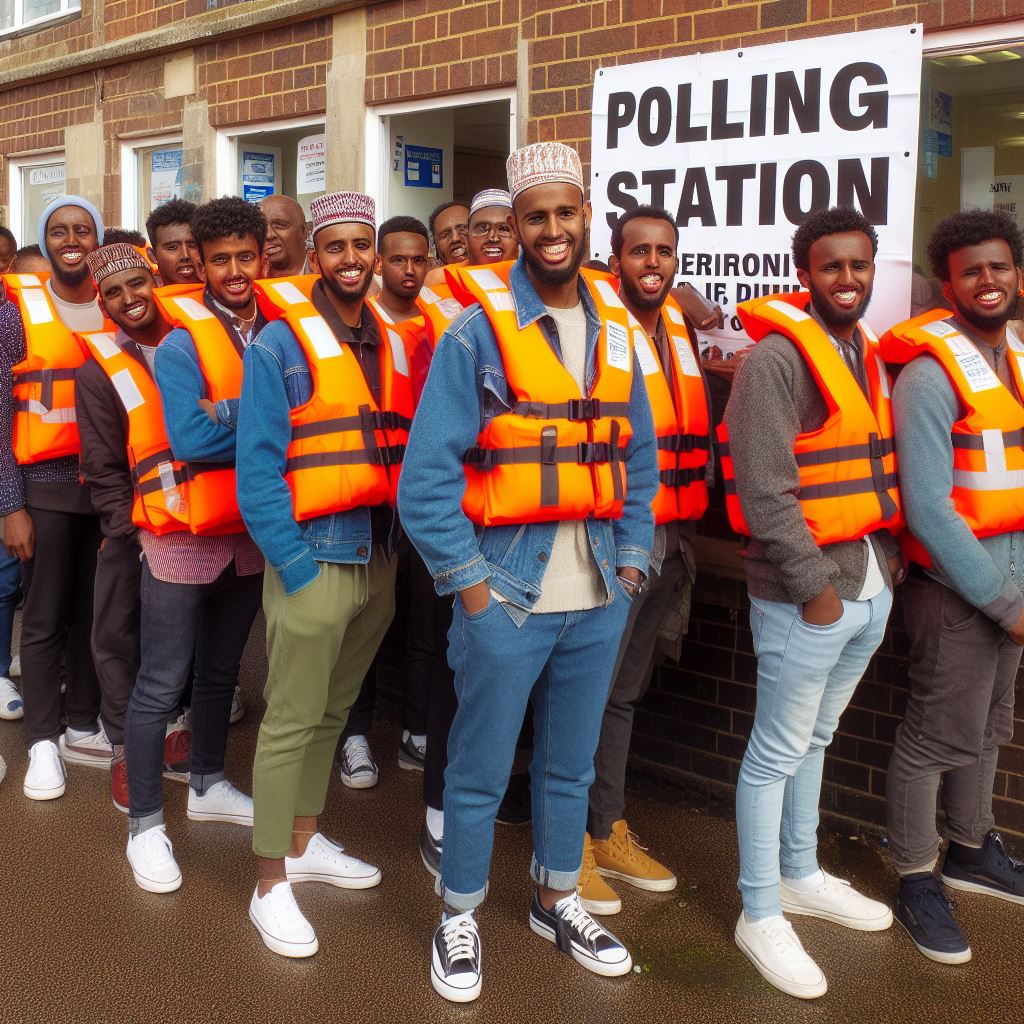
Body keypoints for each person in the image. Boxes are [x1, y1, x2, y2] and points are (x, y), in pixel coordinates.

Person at [399, 141, 658, 1003]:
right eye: (535, 216)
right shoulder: (476, 334)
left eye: (567, 212)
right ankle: (461, 914)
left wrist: (629, 565)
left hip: (597, 597)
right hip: (507, 591)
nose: (553, 230)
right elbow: (425, 483)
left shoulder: (618, 331)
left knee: (569, 765)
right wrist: (470, 586)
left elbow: (641, 462)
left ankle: (555, 898)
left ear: (589, 218)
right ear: (514, 229)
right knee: (476, 769)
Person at [721, 206, 903, 999]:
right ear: (806, 272)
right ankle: (759, 910)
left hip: (869, 581)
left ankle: (800, 872)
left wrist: (872, 582)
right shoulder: (775, 361)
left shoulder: (861, 351)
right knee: (773, 752)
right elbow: (765, 490)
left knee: (816, 739)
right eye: (832, 267)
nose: (848, 279)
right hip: (809, 596)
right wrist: (817, 591)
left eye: (859, 265)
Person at [237, 191, 399, 957]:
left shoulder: (390, 341)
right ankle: (269, 883)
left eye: (361, 245)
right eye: (336, 246)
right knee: (291, 720)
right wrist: (295, 566)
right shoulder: (277, 346)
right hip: (316, 556)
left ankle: (304, 841)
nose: (352, 259)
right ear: (313, 257)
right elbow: (257, 474)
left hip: (381, 556)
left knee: (332, 716)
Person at [880, 209, 1024, 965]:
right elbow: (931, 510)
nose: (988, 281)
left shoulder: (1020, 361)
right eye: (972, 270)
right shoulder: (931, 377)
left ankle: (971, 847)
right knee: (935, 736)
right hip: (957, 593)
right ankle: (915, 875)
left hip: (1016, 593)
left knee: (989, 727)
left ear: (1018, 276)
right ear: (947, 284)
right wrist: (1004, 603)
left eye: (999, 267)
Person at [121, 197, 266, 894]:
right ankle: (145, 823)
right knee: (160, 682)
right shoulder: (183, 344)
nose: (235, 271)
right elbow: (192, 439)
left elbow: (311, 418)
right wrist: (267, 417)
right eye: (220, 261)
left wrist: (234, 413)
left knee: (220, 673)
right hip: (181, 535)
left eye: (246, 256)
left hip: (250, 532)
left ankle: (207, 782)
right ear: (198, 267)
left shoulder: (282, 327)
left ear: (261, 256)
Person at [578, 205, 710, 915]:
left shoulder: (680, 328)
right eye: (638, 252)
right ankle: (566, 846)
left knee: (622, 694)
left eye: (664, 251)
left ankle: (607, 826)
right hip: (612, 539)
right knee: (585, 695)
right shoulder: (596, 325)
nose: (652, 263)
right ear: (615, 258)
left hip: (671, 539)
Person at [74, 243, 191, 814]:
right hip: (132, 526)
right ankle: (124, 748)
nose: (129, 299)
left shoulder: (193, 338)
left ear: (154, 280)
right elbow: (100, 462)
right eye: (114, 292)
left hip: (197, 515)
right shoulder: (98, 368)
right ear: (103, 301)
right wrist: (130, 529)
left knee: (177, 641)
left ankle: (172, 732)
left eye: (136, 284)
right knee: (117, 632)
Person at [0, 195, 110, 800]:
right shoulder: (18, 314)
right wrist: (8, 504)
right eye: (60, 231)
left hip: (107, 491)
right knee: (42, 618)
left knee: (96, 613)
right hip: (41, 489)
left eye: (84, 229)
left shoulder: (115, 303)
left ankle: (80, 723)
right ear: (45, 242)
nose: (73, 239)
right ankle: (42, 741)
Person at [333, 214, 434, 788]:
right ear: (377, 263)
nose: (408, 268)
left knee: (425, 622)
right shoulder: (359, 329)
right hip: (369, 499)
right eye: (396, 258)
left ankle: (415, 732)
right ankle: (354, 735)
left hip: (428, 500)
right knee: (362, 625)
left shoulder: (447, 323)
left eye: (419, 259)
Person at [145, 199, 202, 287]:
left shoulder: (224, 296)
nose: (185, 256)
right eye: (172, 247)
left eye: (193, 246)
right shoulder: (144, 298)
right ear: (152, 256)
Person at [259, 195, 309, 278]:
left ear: (303, 232)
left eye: (280, 225)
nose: (268, 235)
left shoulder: (326, 277)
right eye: (261, 227)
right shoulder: (247, 282)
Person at [423, 201, 469, 287]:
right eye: (445, 235)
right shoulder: (429, 289)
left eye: (462, 229)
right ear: (436, 249)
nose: (455, 238)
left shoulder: (500, 273)